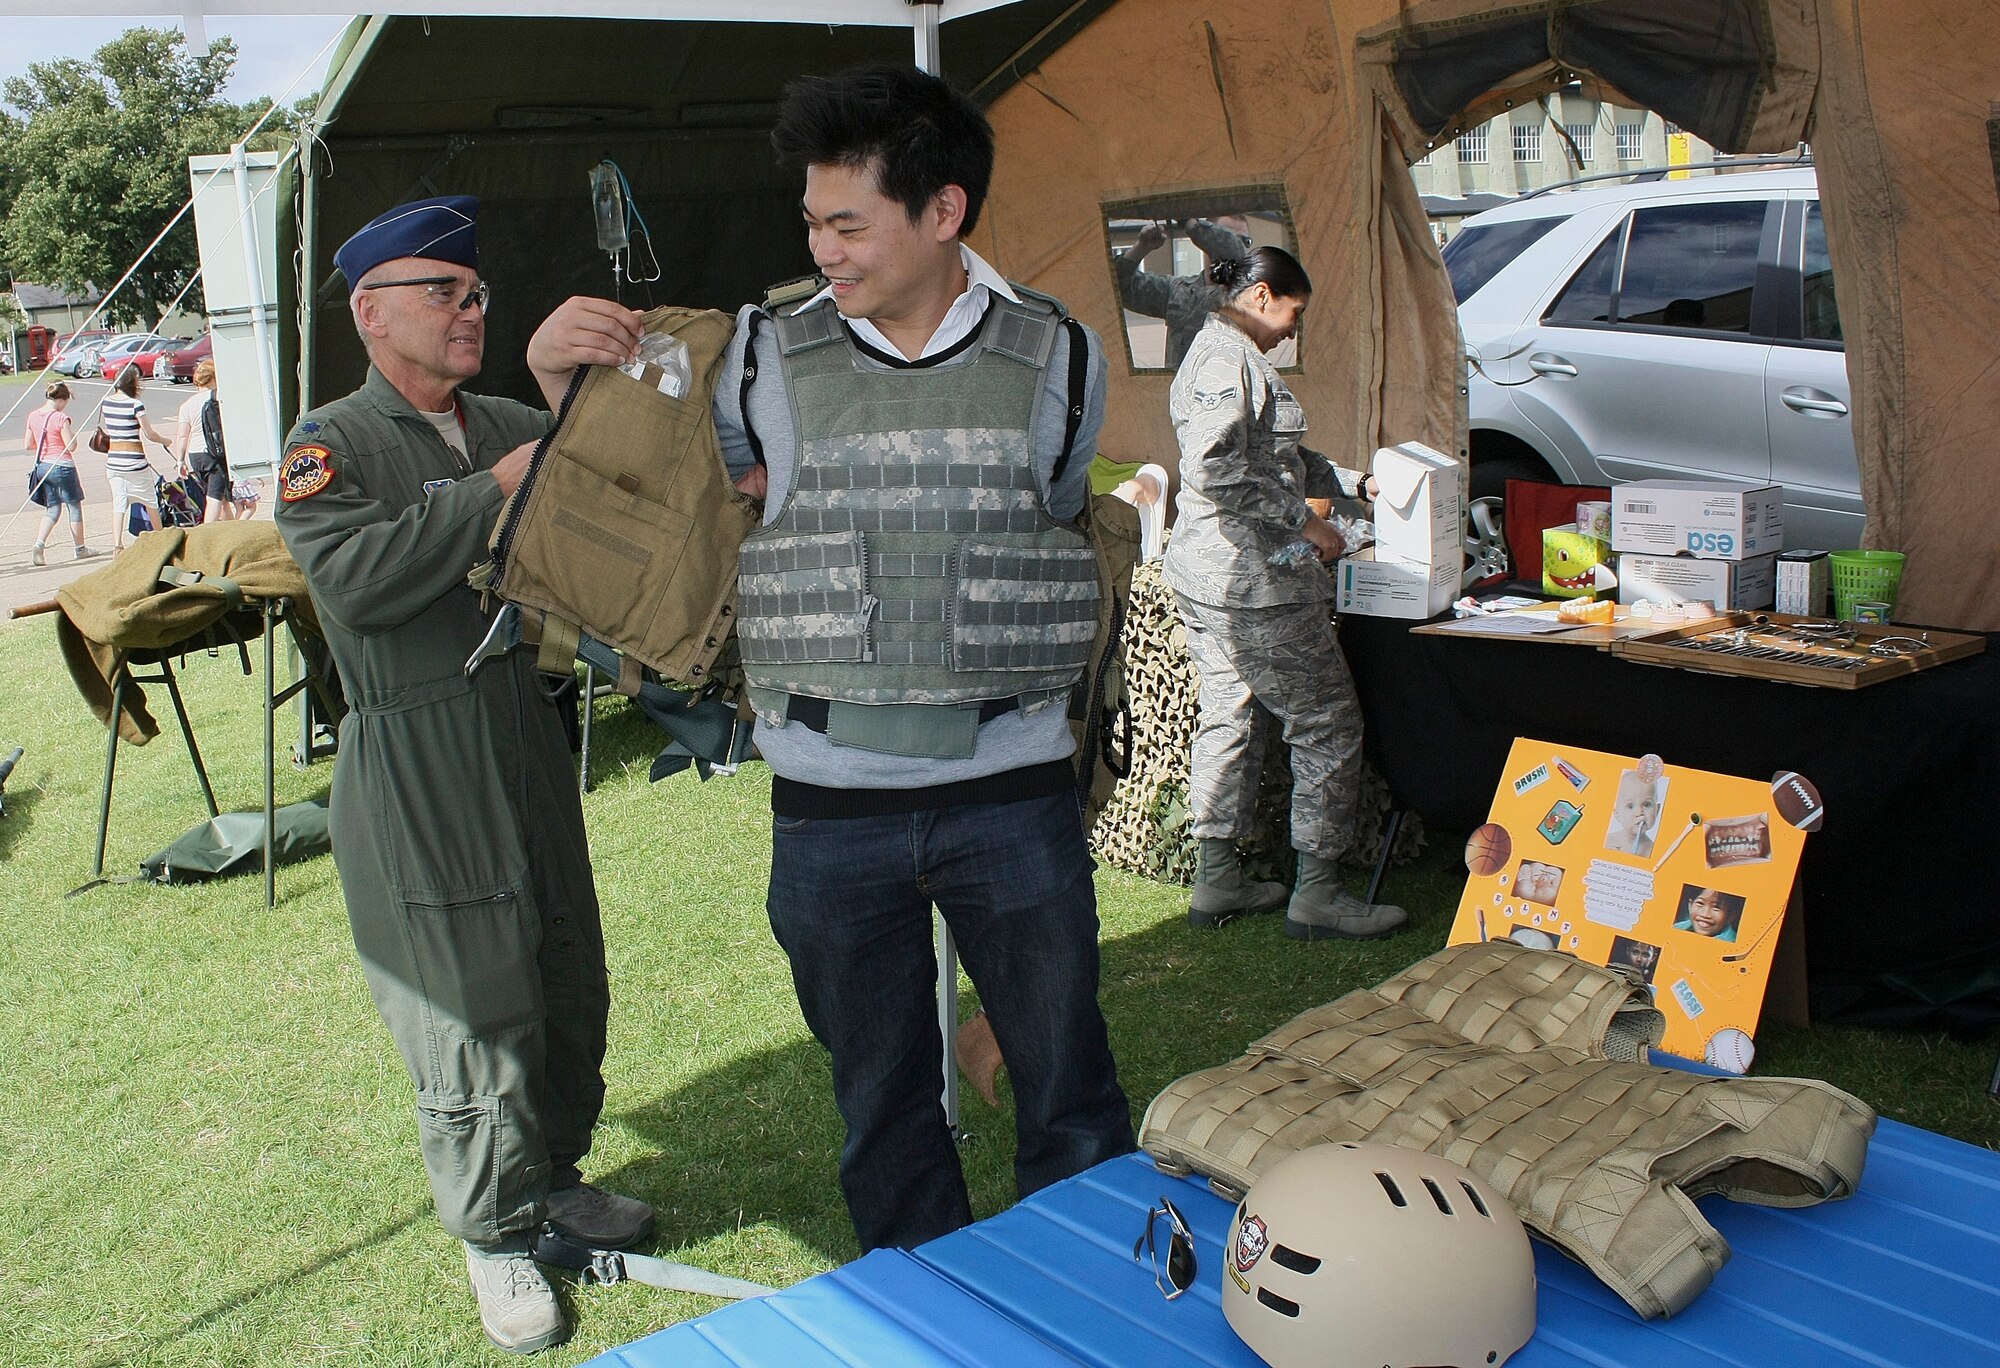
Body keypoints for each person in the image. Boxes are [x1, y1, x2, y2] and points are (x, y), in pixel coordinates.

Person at [530, 62, 1134, 1255]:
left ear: (943, 212)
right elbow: (668, 494)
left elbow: (1050, 508)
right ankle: (928, 1316)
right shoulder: (756, 352)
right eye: (811, 221)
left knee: (1071, 1099)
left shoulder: (1061, 357)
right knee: (881, 1110)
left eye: (845, 223)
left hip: (1011, 798)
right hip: (830, 809)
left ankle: (1087, 1307)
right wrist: (558, 380)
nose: (823, 248)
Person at [272, 196, 651, 1355]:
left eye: (476, 293)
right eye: (443, 293)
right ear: (370, 310)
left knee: (559, 956)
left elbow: (601, 508)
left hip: (519, 728)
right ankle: (495, 1237)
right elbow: (361, 582)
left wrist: (559, 397)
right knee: (466, 1004)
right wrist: (494, 488)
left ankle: (557, 1176)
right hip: (413, 747)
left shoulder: (497, 414)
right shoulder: (327, 444)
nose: (468, 311)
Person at [1164, 246, 1408, 941]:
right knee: (1326, 722)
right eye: (1292, 315)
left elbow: (1282, 459)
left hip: (1216, 576)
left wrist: (1356, 485)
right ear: (1264, 295)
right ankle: (1320, 894)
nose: (1292, 333)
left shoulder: (1232, 357)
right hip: (1254, 582)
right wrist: (1305, 521)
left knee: (1231, 716)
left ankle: (1218, 880)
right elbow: (1215, 469)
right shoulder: (1223, 361)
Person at [1114, 216, 1255, 369]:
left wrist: (1188, 221)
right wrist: (1141, 247)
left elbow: (1233, 253)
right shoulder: (1178, 290)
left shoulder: (1252, 294)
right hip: (1183, 391)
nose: (1236, 243)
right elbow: (1119, 287)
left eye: (1244, 241)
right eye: (1227, 235)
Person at [24, 382, 98, 564]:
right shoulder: (60, 418)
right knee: (74, 506)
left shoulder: (33, 416)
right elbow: (71, 446)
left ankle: (39, 545)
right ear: (61, 400)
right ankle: (80, 548)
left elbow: (28, 445)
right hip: (62, 465)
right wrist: (73, 436)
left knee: (53, 508)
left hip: (43, 466)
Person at [99, 362, 172, 545]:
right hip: (135, 461)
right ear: (133, 383)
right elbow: (149, 433)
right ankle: (161, 539)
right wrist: (165, 440)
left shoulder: (106, 402)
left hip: (114, 460)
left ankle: (117, 544)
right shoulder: (135, 405)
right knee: (150, 500)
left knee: (119, 502)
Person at [174, 358, 233, 523]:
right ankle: (207, 533)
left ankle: (231, 530)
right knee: (214, 498)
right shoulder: (216, 397)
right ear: (214, 378)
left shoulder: (187, 405)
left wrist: (180, 460)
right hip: (213, 453)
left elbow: (182, 435)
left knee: (221, 498)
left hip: (195, 455)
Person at [1674, 886, 1744, 942]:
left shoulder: (1731, 942)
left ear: (1731, 916)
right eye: (1700, 903)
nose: (1705, 914)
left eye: (1716, 907)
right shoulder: (1677, 928)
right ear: (1690, 905)